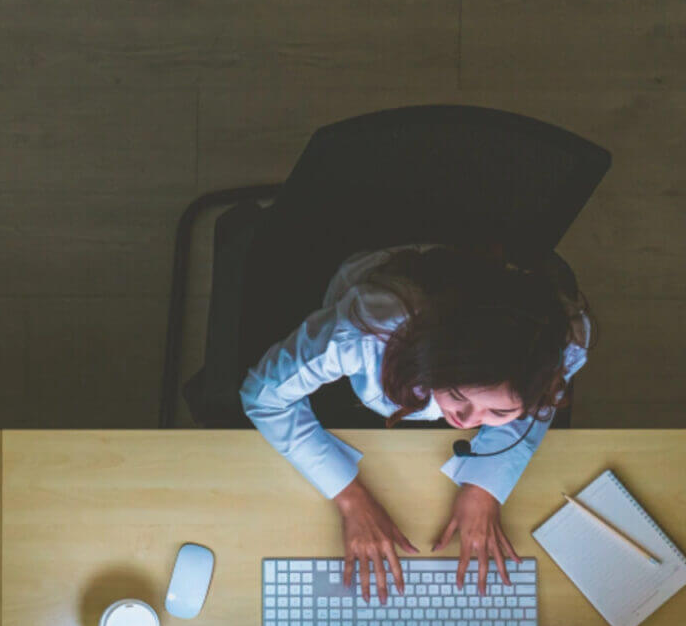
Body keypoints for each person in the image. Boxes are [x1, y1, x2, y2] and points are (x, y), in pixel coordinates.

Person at [241, 244, 591, 603]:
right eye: (457, 395)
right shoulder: (365, 333)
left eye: (499, 413)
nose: (466, 422)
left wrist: (485, 487)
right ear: (435, 359)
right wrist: (349, 497)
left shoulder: (560, 345)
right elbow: (262, 395)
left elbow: (537, 409)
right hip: (381, 302)